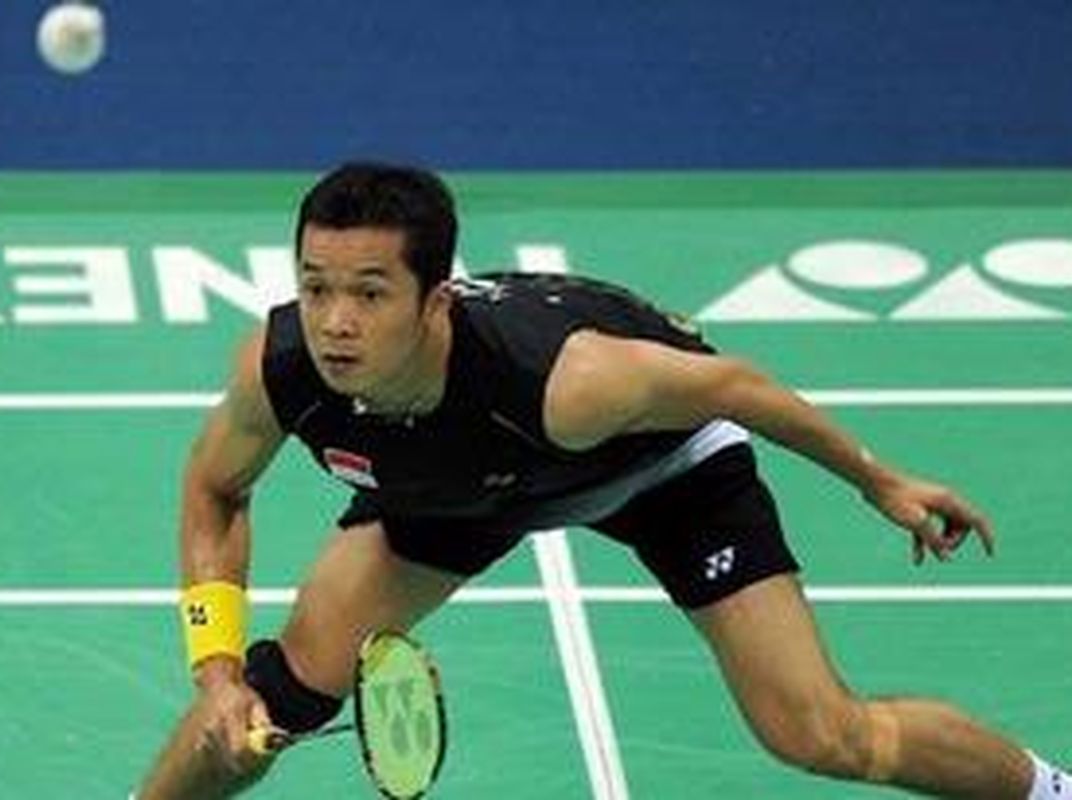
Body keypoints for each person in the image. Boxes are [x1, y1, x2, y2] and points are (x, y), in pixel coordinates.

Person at [136, 162, 1067, 800]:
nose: (336, 322)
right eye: (316, 287)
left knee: (821, 735)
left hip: (653, 469)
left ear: (434, 300)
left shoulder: (572, 381)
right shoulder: (285, 367)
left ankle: (1046, 787)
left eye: (370, 294)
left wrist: (880, 482)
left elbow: (735, 386)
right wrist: (215, 674)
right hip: (450, 483)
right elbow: (215, 490)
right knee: (275, 696)